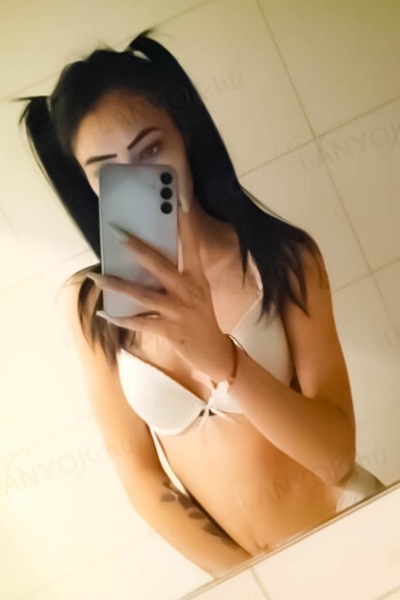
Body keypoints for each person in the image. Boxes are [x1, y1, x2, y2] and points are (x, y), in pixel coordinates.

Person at [15, 27, 385, 579]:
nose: (140, 179)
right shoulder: (91, 306)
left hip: (356, 529)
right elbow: (143, 480)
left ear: (184, 136)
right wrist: (254, 582)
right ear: (86, 181)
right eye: (107, 170)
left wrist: (225, 360)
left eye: (151, 149)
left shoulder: (282, 259)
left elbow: (336, 458)